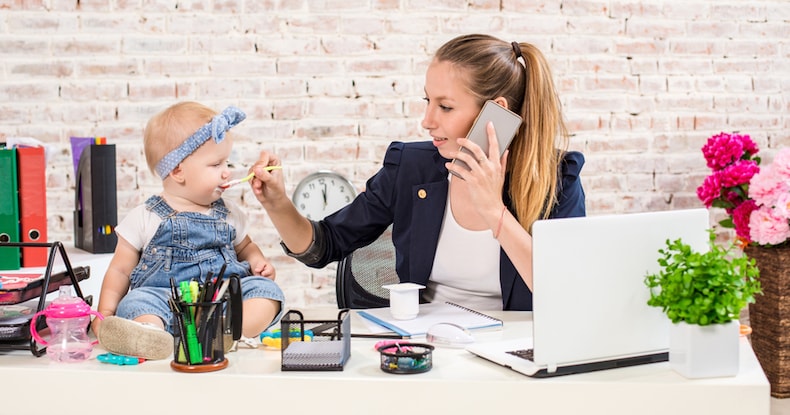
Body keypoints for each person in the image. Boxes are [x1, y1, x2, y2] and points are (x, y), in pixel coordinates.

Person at [250, 33, 585, 311]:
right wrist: (277, 203)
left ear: (494, 114)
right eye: (427, 101)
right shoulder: (411, 166)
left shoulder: (558, 180)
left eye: (445, 106)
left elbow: (566, 293)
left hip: (516, 352)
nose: (427, 120)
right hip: (428, 350)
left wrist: (494, 212)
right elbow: (325, 245)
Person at [93, 101, 285, 360]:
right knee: (136, 302)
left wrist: (256, 259)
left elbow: (245, 246)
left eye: (226, 163)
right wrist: (105, 311)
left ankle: (226, 332)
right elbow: (120, 269)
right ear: (177, 171)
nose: (227, 173)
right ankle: (150, 333)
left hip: (221, 303)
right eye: (216, 165)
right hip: (166, 302)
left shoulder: (228, 213)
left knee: (266, 291)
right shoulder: (145, 216)